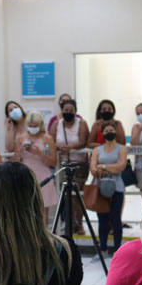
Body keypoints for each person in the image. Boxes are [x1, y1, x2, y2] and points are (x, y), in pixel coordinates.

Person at [50, 99, 89, 235]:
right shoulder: (56, 124)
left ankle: (80, 223)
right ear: (61, 111)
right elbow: (50, 142)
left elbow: (84, 142)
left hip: (79, 163)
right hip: (62, 164)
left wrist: (71, 147)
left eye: (71, 111)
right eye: (65, 111)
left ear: (75, 111)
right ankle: (70, 224)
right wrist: (58, 147)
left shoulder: (81, 123)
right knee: (67, 196)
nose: (68, 113)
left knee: (77, 195)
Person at [90, 120, 127, 259]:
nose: (109, 133)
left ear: (115, 132)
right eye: (106, 131)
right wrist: (111, 166)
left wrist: (103, 166)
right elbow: (93, 169)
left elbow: (121, 167)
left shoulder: (122, 148)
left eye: (111, 130)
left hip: (117, 187)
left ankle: (118, 251)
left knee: (116, 219)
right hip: (101, 188)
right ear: (102, 133)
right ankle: (103, 249)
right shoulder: (97, 150)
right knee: (102, 219)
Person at [14, 111, 58, 224]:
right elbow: (14, 162)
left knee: (43, 212)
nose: (33, 128)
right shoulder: (21, 138)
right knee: (25, 211)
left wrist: (39, 153)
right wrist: (19, 151)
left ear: (41, 125)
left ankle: (43, 239)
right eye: (30, 126)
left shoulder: (47, 139)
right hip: (25, 176)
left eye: (35, 126)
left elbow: (53, 162)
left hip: (43, 177)